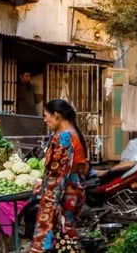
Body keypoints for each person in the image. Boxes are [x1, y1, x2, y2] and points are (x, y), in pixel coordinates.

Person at [30, 99, 89, 253]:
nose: (45, 120)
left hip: (64, 193)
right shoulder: (74, 132)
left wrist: (52, 202)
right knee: (65, 235)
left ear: (56, 115)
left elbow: (58, 173)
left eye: (46, 115)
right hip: (74, 190)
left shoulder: (64, 136)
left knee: (63, 236)